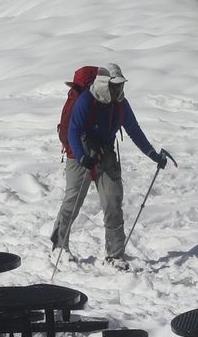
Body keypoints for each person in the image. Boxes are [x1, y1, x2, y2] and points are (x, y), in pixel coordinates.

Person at [50, 63, 170, 269]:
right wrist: (80, 157)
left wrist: (152, 154)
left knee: (113, 201)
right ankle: (58, 247)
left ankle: (115, 254)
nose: (118, 90)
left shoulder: (121, 104)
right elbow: (73, 131)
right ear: (105, 85)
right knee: (73, 200)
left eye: (121, 86)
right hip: (80, 153)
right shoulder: (87, 100)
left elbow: (134, 130)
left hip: (105, 153)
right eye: (115, 86)